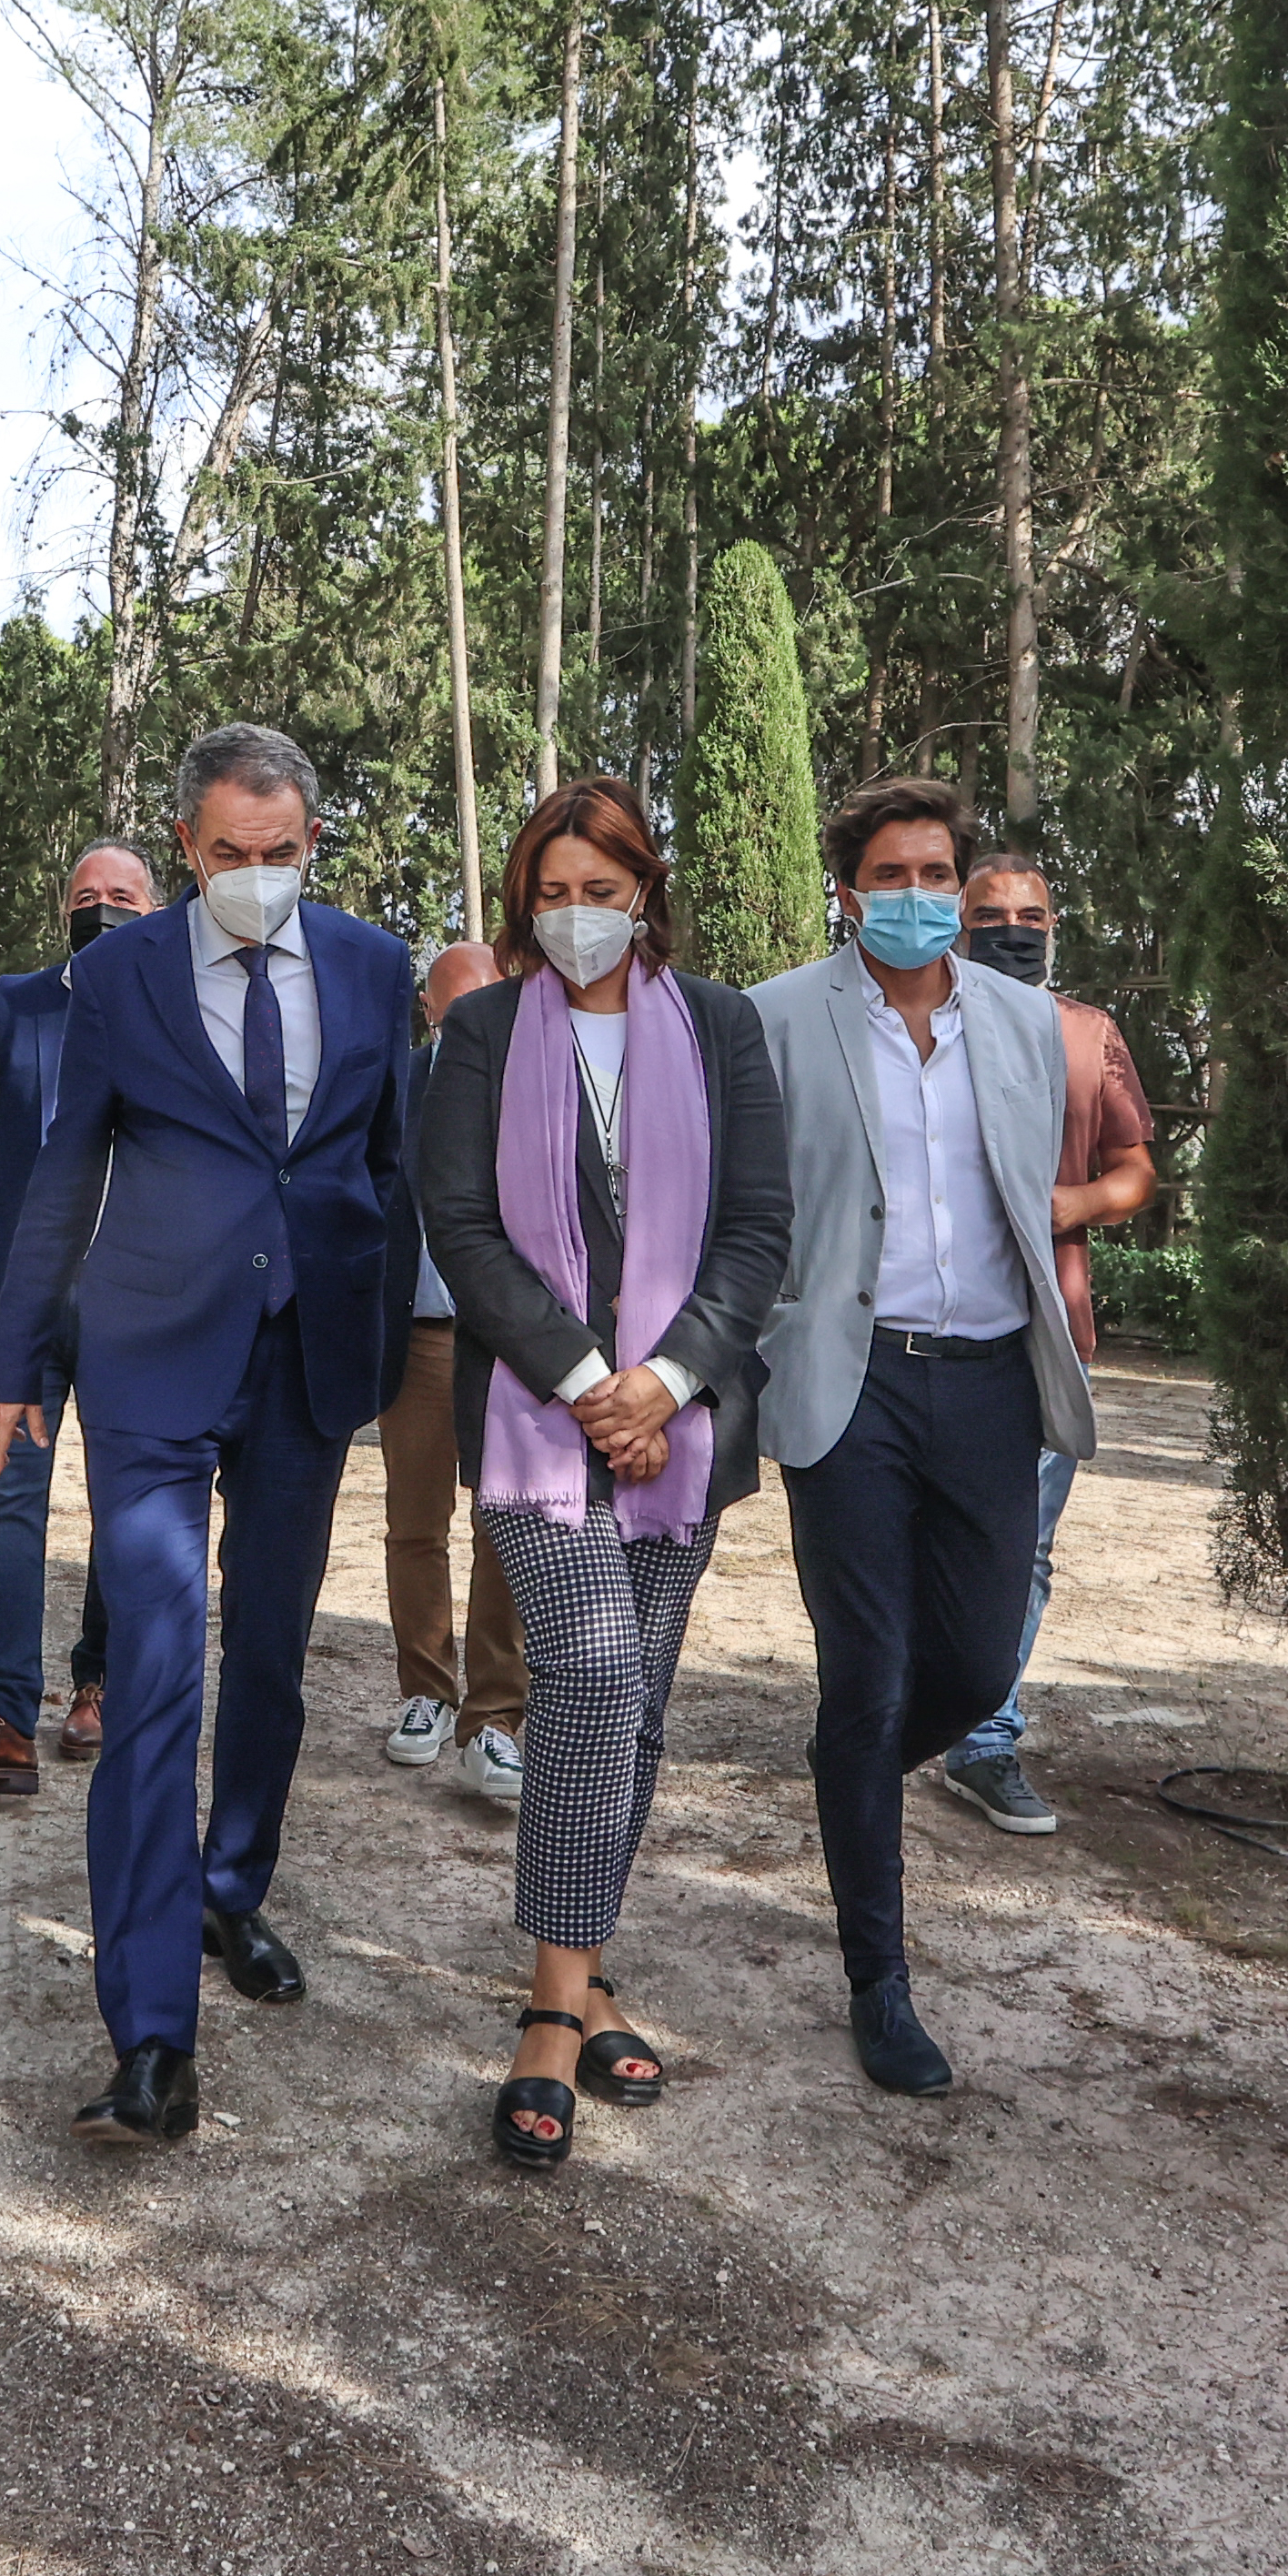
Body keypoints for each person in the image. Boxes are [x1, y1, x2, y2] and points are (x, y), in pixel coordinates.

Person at [0, 726, 410, 2148]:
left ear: (313, 847)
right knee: (157, 1670)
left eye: (279, 856)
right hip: (153, 1359)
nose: (255, 878)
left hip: (309, 1365)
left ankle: (232, 1892)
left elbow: (390, 1174)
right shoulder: (118, 976)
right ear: (188, 850)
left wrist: (386, 1340)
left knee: (271, 1658)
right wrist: (15, 1356)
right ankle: (151, 2031)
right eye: (229, 856)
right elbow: (61, 1172)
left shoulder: (372, 968)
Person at [414, 782, 789, 2171]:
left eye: (602, 886)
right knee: (591, 1677)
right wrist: (587, 1382)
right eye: (553, 890)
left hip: (683, 1430)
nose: (578, 914)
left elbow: (759, 1229)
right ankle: (548, 2016)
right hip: (535, 1420)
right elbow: (459, 1223)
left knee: (634, 1716)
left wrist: (665, 1384)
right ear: (526, 903)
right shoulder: (485, 1032)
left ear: (647, 890)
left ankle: (586, 1970)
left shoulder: (727, 1030)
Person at [746, 775, 1092, 2100]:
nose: (917, 897)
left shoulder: (1022, 1022)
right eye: (888, 877)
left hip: (995, 1379)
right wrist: (774, 1332)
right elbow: (753, 1201)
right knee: (872, 1674)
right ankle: (879, 1979)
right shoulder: (779, 1016)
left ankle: (852, 1779)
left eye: (934, 873)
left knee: (973, 1654)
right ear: (847, 891)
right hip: (856, 1384)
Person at [0, 844, 150, 1794]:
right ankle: (3, 1716)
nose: (102, 908)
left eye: (123, 897)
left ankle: (100, 1687)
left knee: (124, 1505)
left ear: (159, 906)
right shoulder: (14, 1005)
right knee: (8, 1496)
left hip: (139, 1302)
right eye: (87, 896)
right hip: (18, 1297)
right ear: (64, 908)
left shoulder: (180, 1011)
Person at [931, 851, 1158, 1839]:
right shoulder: (915, 1027)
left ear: (1056, 925)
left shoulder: (1087, 1036)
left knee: (1020, 1547)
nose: (1012, 926)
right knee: (908, 1538)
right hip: (920, 1332)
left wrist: (1066, 1204)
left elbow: (1135, 1171)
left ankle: (983, 1740)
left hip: (1047, 1333)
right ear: (957, 921)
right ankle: (902, 1710)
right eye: (990, 912)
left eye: (1032, 912)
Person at [372, 942, 532, 1802]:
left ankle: (496, 1717)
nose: (467, 1020)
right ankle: (427, 1694)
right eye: (449, 1006)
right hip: (425, 1335)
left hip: (512, 1338)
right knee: (416, 1523)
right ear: (430, 1014)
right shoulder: (398, 1084)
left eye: (483, 1001)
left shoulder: (544, 1079)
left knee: (505, 1523)